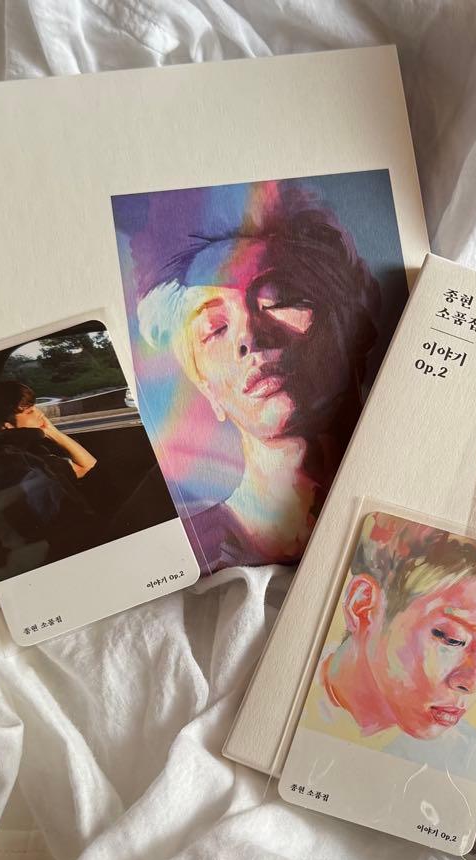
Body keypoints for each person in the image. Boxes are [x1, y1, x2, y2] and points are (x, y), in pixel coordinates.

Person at [135, 180, 382, 572]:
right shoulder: (183, 555)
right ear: (205, 387)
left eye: (278, 298)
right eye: (215, 328)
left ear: (344, 319)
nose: (248, 336)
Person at [308, 513, 476, 785]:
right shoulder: (293, 687)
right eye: (452, 639)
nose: (472, 682)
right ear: (363, 606)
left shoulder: (471, 770)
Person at [0, 381, 101, 576]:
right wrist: (46, 432)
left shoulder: (34, 454)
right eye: (29, 412)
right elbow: (87, 467)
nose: (40, 414)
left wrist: (50, 431)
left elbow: (87, 466)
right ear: (6, 425)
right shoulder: (18, 462)